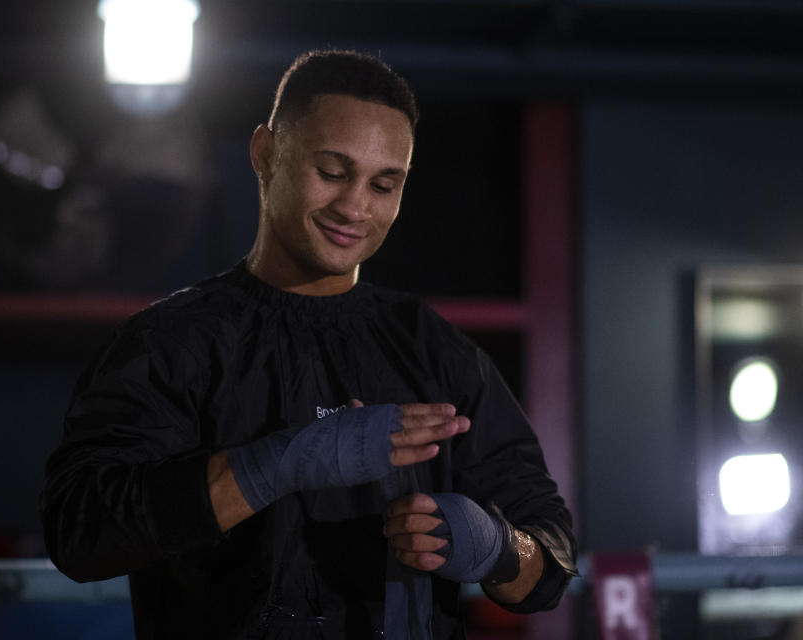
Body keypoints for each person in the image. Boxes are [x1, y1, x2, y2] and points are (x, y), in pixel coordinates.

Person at [40, 49, 576, 639]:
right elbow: (80, 532)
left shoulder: (437, 353)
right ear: (266, 155)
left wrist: (495, 546)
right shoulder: (171, 344)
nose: (354, 207)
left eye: (383, 184)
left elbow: (550, 562)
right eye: (332, 172)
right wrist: (272, 465)